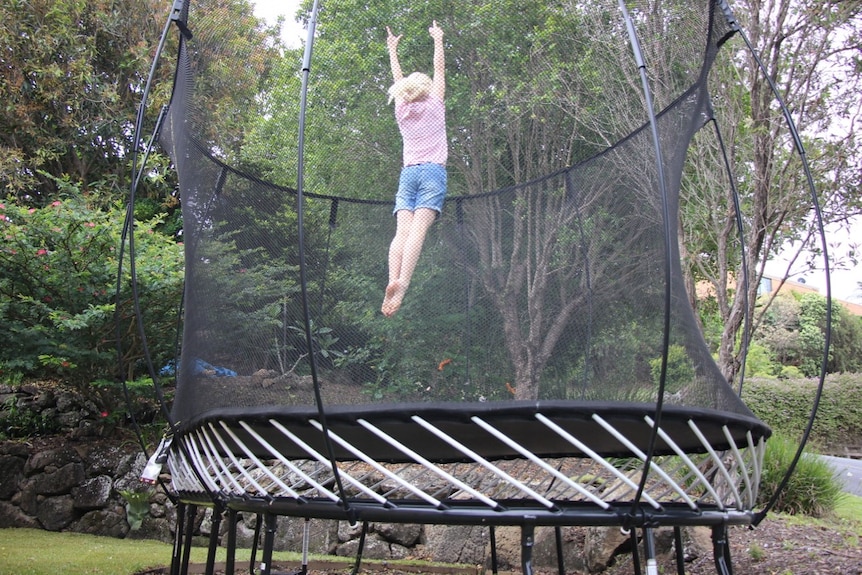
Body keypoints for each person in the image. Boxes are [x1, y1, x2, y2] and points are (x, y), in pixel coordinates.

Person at [381, 21, 447, 317]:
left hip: (408, 174)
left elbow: (398, 79)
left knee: (401, 234)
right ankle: (403, 284)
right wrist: (438, 40)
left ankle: (391, 278)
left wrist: (392, 50)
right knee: (418, 232)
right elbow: (440, 70)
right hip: (432, 173)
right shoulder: (434, 104)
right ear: (427, 89)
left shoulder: (402, 109)